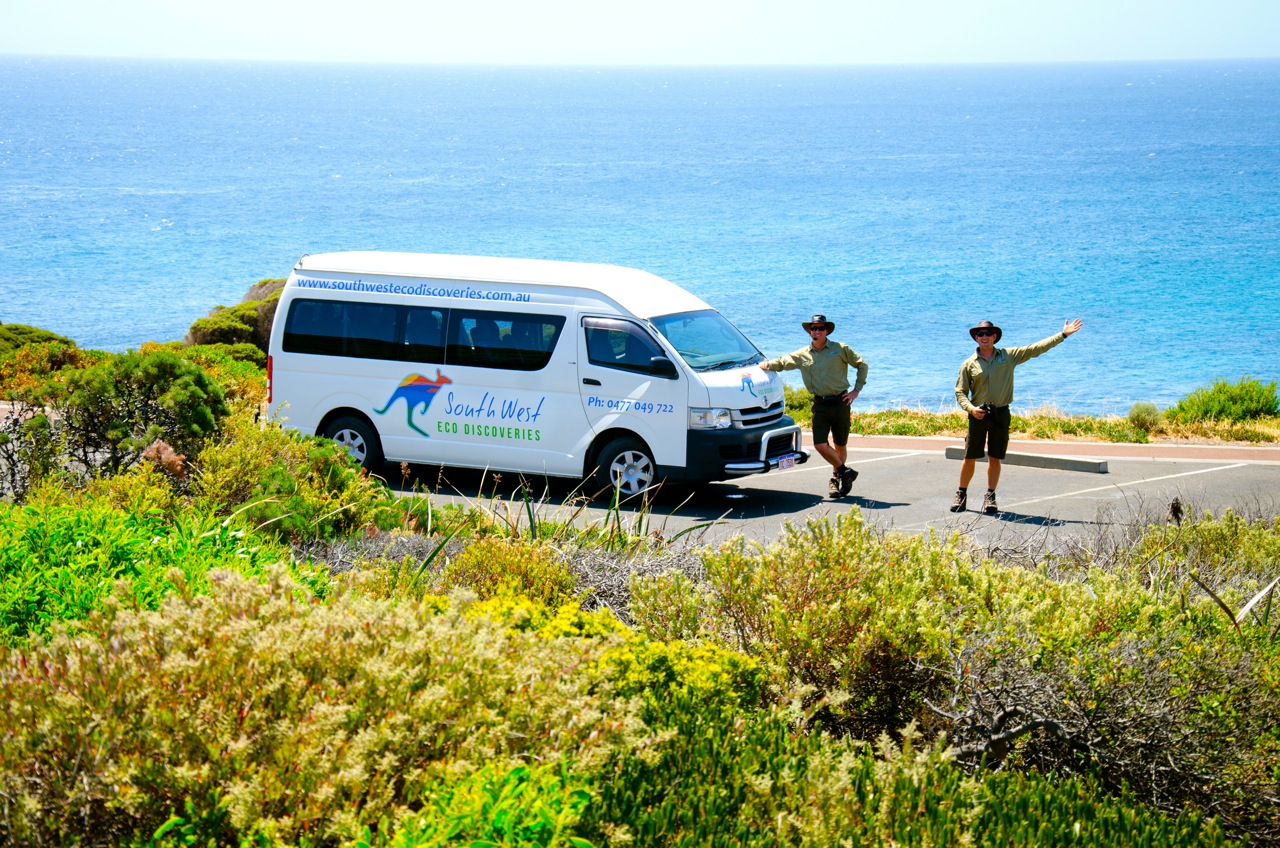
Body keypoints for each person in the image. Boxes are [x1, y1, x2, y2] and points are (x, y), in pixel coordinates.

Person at [951, 318, 1083, 514]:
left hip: (1001, 413)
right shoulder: (969, 364)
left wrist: (1062, 335)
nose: (984, 337)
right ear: (976, 338)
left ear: (995, 336)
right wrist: (971, 409)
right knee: (970, 457)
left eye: (988, 334)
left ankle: (990, 497)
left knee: (995, 457)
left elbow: (1035, 349)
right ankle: (961, 495)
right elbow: (960, 391)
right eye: (980, 334)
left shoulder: (1008, 356)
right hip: (977, 415)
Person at [761, 314, 868, 498]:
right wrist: (766, 365)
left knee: (840, 444)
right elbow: (784, 362)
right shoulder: (803, 354)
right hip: (820, 404)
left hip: (841, 402)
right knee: (820, 444)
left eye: (820, 328)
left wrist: (856, 390)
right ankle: (845, 472)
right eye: (813, 328)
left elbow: (862, 365)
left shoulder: (840, 349)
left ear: (826, 331)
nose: (816, 331)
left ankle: (836, 479)